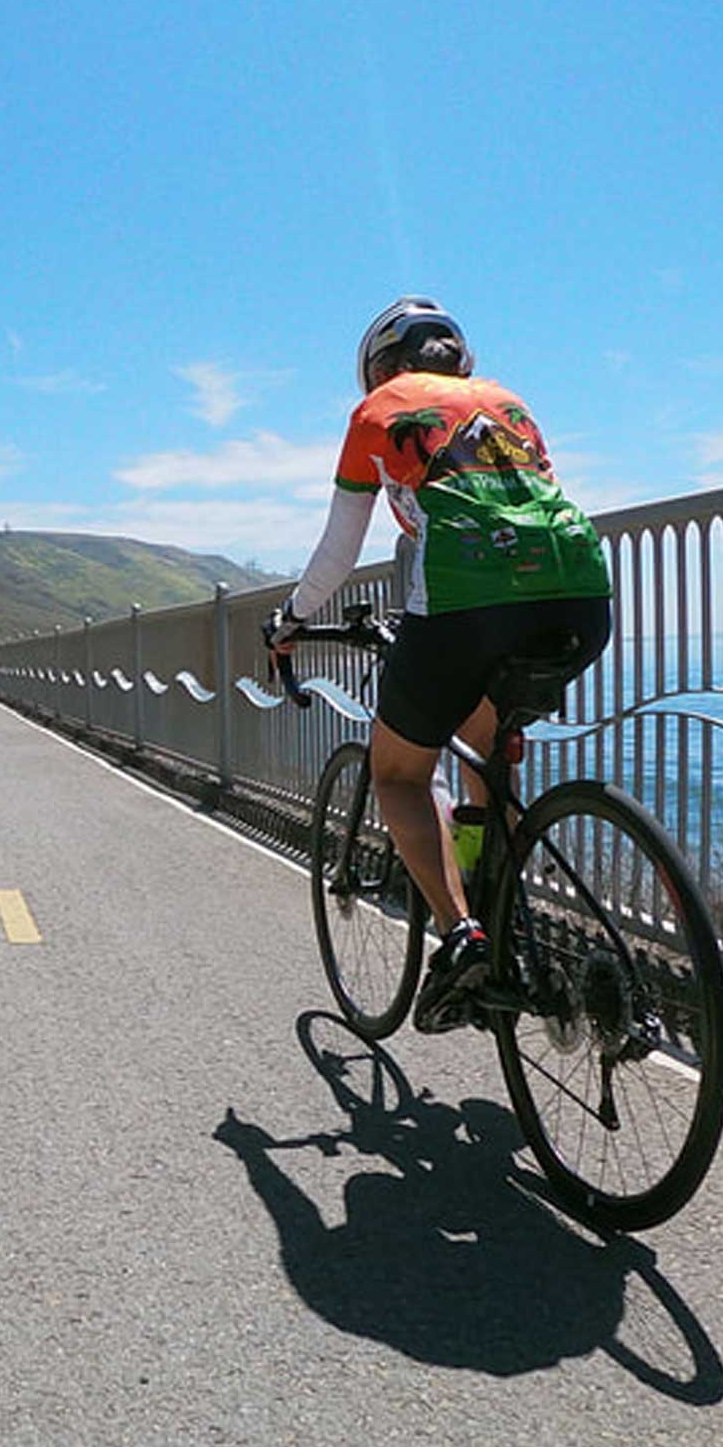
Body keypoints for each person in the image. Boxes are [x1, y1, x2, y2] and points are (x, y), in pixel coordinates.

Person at [268, 297, 612, 1032]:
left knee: (398, 774)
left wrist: (291, 621)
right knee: (487, 754)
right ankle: (504, 900)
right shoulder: (508, 403)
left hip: (462, 606)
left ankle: (464, 937)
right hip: (582, 599)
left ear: (384, 367)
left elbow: (337, 553)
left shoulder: (379, 412)